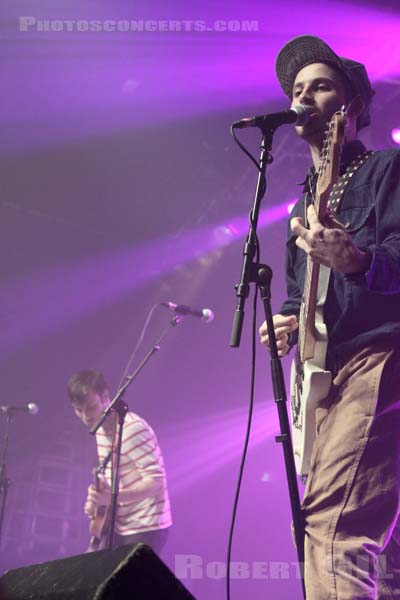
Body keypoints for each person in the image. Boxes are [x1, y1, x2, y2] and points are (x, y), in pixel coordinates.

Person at [259, 35, 400, 599]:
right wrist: (288, 323)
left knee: (332, 528)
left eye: (320, 85)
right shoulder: (300, 207)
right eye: (297, 89)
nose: (304, 95)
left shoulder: (386, 170)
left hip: (379, 356)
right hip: (326, 377)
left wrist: (360, 261)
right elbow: (300, 297)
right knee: (371, 550)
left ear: (351, 104)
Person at [67, 369, 172, 554]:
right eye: (78, 410)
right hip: (120, 526)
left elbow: (156, 483)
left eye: (90, 408)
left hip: (146, 526)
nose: (85, 416)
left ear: (106, 396)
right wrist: (97, 498)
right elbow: (114, 480)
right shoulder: (99, 429)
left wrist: (112, 497)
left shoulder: (133, 428)